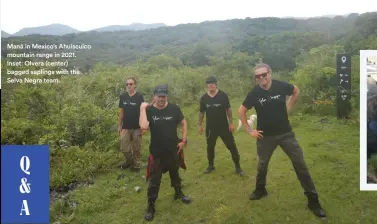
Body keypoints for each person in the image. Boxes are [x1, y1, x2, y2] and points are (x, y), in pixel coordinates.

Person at [237, 63, 326, 218]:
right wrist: (250, 130)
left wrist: (287, 108)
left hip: (286, 134)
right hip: (265, 137)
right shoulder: (255, 93)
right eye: (257, 76)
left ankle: (313, 200)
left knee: (300, 165)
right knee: (262, 165)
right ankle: (260, 190)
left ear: (270, 73)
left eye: (264, 74)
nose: (261, 78)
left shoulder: (280, 86)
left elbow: (295, 91)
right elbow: (241, 111)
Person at [139, 84, 191, 221]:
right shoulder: (149, 110)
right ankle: (151, 206)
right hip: (157, 153)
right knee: (154, 180)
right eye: (159, 96)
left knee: (175, 173)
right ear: (154, 97)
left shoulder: (174, 108)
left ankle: (178, 193)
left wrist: (183, 140)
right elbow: (143, 126)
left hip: (173, 150)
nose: (162, 99)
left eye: (164, 96)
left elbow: (184, 123)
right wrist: (142, 108)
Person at [198, 76, 244, 176]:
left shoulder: (223, 95)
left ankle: (238, 167)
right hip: (211, 127)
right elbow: (201, 112)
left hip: (224, 126)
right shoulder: (204, 98)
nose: (211, 85)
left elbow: (228, 109)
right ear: (207, 85)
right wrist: (199, 125)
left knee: (231, 146)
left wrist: (231, 123)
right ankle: (211, 166)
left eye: (212, 83)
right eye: (209, 83)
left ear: (216, 84)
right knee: (210, 147)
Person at [118, 77, 145, 172]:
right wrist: (119, 125)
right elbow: (121, 112)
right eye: (127, 84)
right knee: (124, 148)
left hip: (137, 127)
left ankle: (136, 165)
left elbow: (143, 112)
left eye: (131, 84)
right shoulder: (123, 96)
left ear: (135, 85)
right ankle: (129, 162)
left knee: (137, 148)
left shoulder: (139, 96)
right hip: (126, 127)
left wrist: (143, 126)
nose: (129, 86)